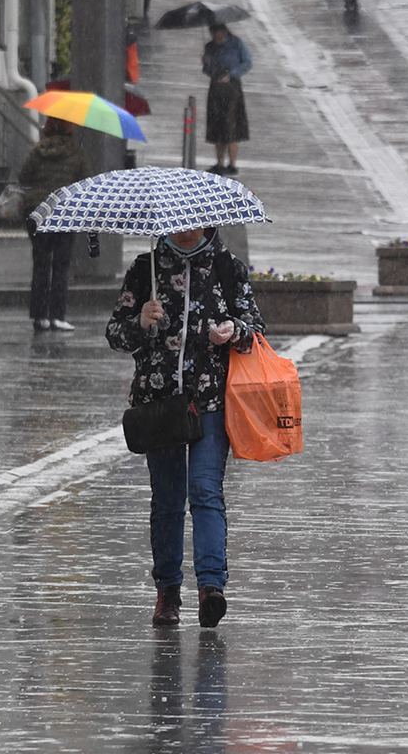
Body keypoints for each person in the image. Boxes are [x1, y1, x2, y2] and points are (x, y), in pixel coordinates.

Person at [106, 226, 264, 629]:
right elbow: (117, 335)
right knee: (168, 499)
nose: (187, 229)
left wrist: (233, 332)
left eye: (195, 220)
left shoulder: (229, 269)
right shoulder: (147, 269)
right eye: (179, 222)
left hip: (211, 401)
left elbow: (255, 332)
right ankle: (168, 592)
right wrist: (140, 321)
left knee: (205, 490)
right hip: (160, 406)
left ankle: (211, 588)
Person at [18, 118, 94, 332]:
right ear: (71, 131)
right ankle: (57, 316)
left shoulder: (36, 152)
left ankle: (39, 316)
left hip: (37, 211)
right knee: (61, 266)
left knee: (41, 264)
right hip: (64, 214)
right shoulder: (78, 154)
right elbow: (87, 183)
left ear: (48, 130)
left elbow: (24, 178)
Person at [201, 23, 252, 174]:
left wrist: (231, 74)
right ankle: (220, 163)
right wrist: (206, 63)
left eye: (220, 32)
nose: (217, 35)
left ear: (224, 31)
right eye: (214, 32)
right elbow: (207, 71)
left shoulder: (236, 43)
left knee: (231, 126)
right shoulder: (209, 47)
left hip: (232, 88)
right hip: (216, 88)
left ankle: (233, 164)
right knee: (217, 125)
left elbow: (247, 62)